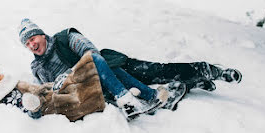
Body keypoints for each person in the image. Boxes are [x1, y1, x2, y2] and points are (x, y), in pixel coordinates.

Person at [18, 19, 242, 118]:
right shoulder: (38, 67)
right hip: (96, 87)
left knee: (156, 71)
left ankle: (211, 71)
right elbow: (49, 89)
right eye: (26, 44)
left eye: (32, 38)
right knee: (152, 83)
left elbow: (90, 51)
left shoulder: (65, 38)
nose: (32, 45)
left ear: (41, 33)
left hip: (114, 67)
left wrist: (72, 71)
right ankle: (193, 82)